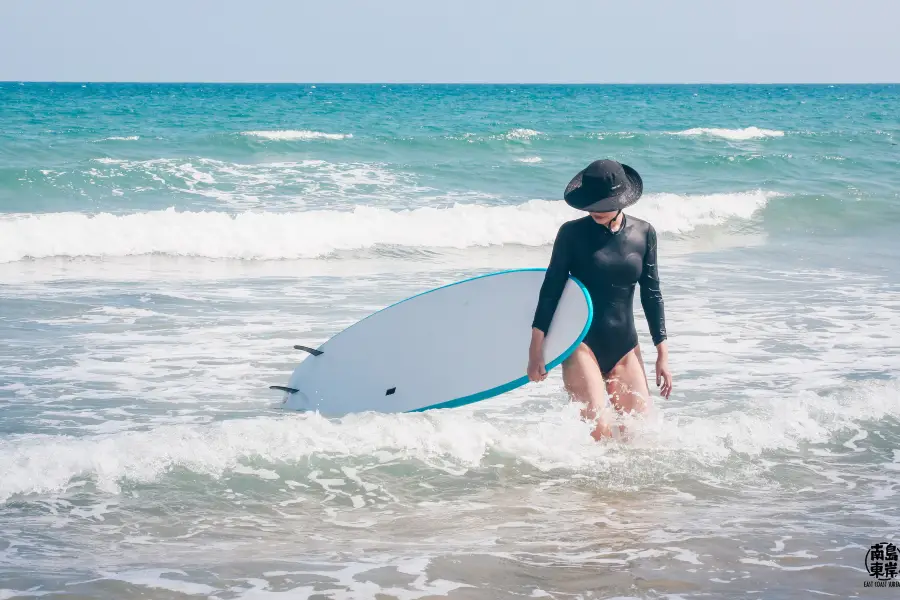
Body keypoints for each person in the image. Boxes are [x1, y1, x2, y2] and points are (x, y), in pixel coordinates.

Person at [526, 159, 672, 440]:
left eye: (603, 204)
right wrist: (536, 348)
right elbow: (551, 289)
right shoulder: (571, 234)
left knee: (639, 436)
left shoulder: (644, 234)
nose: (595, 210)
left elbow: (651, 293)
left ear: (622, 200)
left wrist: (662, 355)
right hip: (581, 344)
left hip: (625, 347)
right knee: (599, 430)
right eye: (591, 203)